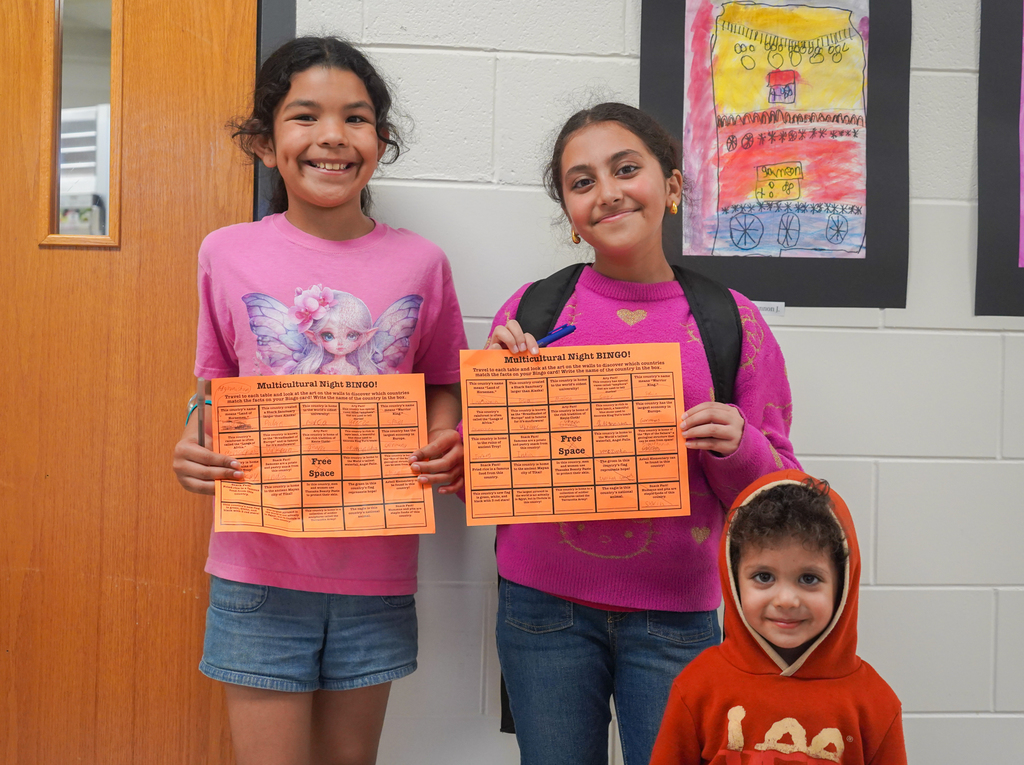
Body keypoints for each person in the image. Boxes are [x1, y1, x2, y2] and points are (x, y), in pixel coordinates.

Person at [171, 36, 467, 765]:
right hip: (257, 570)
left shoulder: (422, 263)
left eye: (356, 119)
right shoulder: (225, 252)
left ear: (381, 140)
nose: (332, 136)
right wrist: (191, 440)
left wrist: (445, 435)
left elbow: (442, 380)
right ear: (265, 144)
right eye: (305, 116)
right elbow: (216, 388)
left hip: (377, 570)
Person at [485, 103, 799, 765]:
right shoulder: (532, 312)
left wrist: (736, 442)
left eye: (627, 169)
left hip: (676, 619)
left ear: (674, 187)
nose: (608, 191)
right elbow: (480, 484)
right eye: (581, 181)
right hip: (540, 611)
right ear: (569, 213)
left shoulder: (730, 320)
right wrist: (494, 417)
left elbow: (783, 499)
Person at [650, 470, 907, 765]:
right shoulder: (697, 687)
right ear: (734, 580)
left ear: (843, 586)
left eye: (809, 578)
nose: (786, 600)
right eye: (764, 576)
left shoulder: (875, 703)